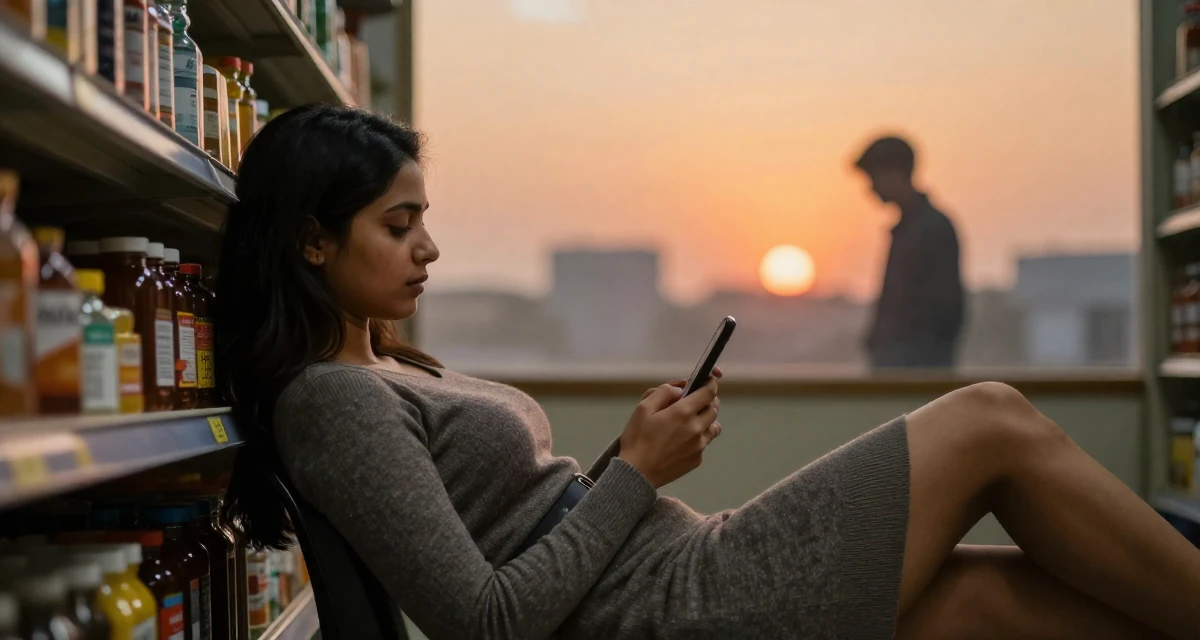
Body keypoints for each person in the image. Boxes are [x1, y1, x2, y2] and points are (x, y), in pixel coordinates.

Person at [215, 105, 1200, 640]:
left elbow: (532, 527)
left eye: (424, 218)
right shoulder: (331, 400)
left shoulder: (388, 365)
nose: (429, 247)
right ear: (310, 238)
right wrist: (636, 472)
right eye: (398, 224)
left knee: (992, 598)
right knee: (989, 418)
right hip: (680, 601)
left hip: (677, 569)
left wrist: (626, 460)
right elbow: (483, 620)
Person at [855, 135, 965, 370]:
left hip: (916, 369)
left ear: (895, 172)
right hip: (905, 367)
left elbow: (944, 309)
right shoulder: (914, 228)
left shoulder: (931, 228)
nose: (871, 188)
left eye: (873, 178)